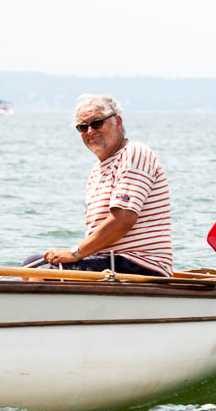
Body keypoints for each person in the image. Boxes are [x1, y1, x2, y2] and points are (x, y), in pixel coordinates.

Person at [24, 94, 172, 277]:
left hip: (140, 264)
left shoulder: (133, 153)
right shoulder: (98, 169)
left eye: (97, 123)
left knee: (41, 273)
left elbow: (123, 219)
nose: (90, 131)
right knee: (31, 263)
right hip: (110, 261)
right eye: (82, 127)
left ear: (118, 122)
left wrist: (74, 253)